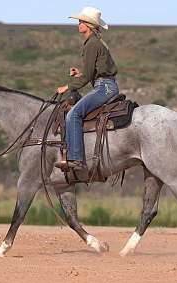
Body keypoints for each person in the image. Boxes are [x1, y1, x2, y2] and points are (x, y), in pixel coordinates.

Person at [55, 6, 119, 171]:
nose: (79, 24)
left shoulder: (92, 44)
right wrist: (80, 74)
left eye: (81, 21)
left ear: (89, 25)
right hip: (106, 85)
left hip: (104, 88)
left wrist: (67, 87)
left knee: (73, 114)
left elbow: (89, 76)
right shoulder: (95, 43)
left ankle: (76, 159)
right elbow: (92, 73)